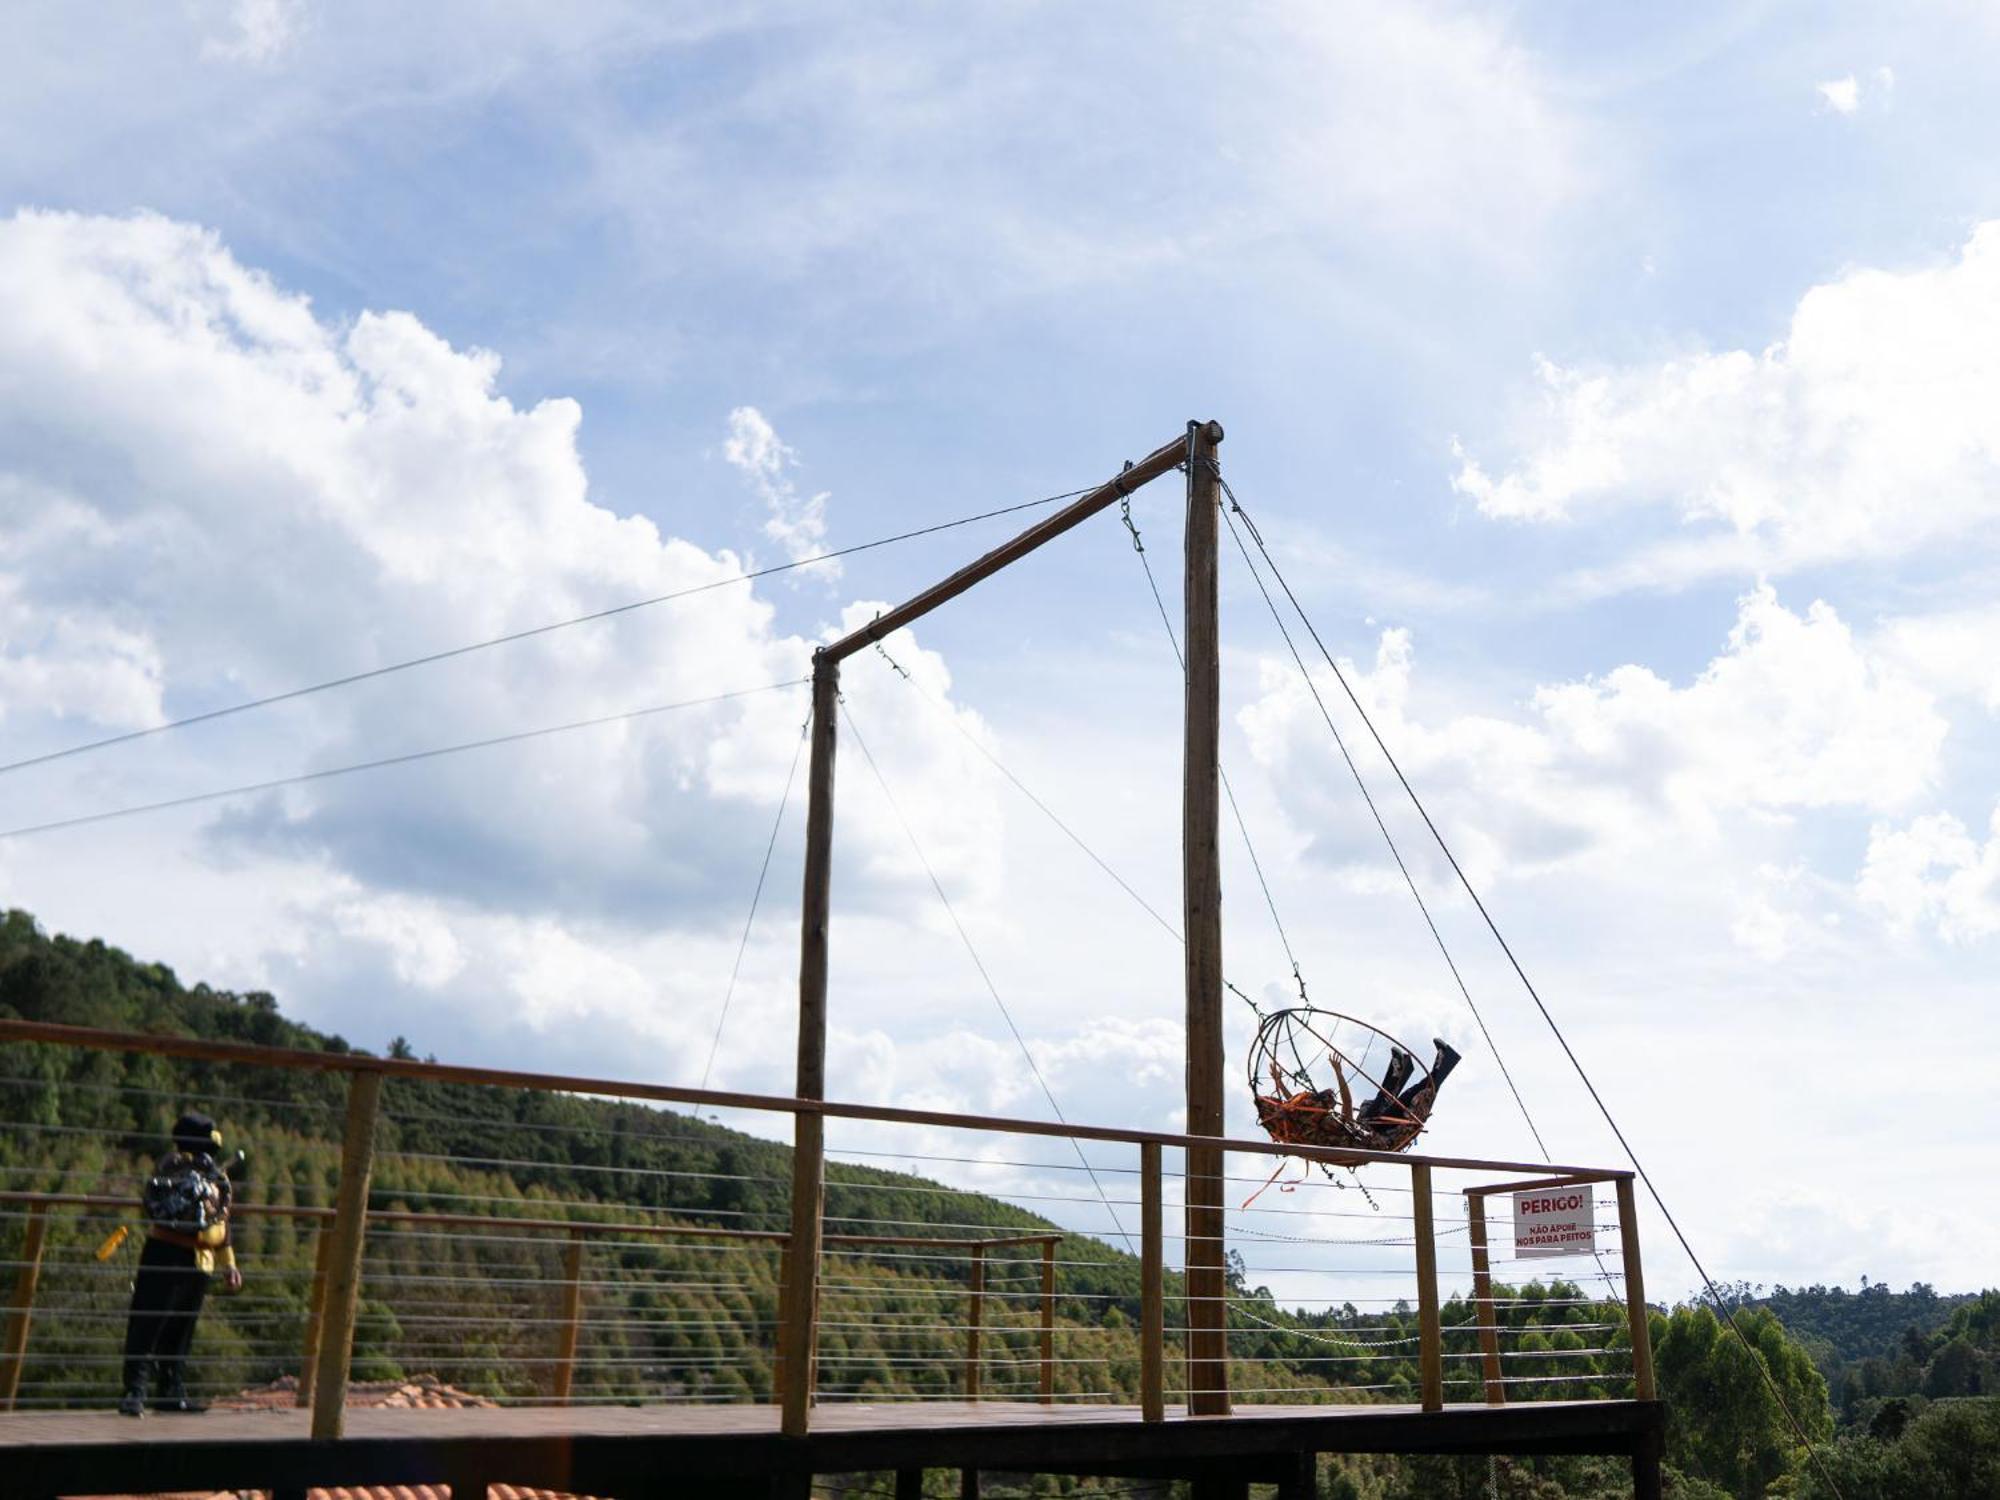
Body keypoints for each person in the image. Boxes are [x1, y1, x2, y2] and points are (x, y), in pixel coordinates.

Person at [120, 1112, 241, 1416]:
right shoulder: (173, 1167)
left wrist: (229, 1263)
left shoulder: (216, 1176)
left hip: (202, 1260)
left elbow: (223, 1222)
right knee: (148, 1324)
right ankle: (134, 1391)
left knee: (181, 1330)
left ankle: (171, 1391)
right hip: (166, 1251)